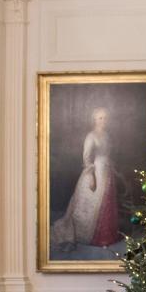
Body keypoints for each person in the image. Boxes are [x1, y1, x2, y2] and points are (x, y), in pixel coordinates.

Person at [52, 107, 120, 251]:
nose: (103, 121)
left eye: (105, 118)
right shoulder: (91, 136)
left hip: (107, 173)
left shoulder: (107, 135)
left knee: (107, 204)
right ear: (94, 120)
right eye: (100, 118)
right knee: (92, 206)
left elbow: (108, 155)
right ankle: (91, 236)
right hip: (96, 172)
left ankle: (107, 236)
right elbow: (87, 158)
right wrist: (91, 177)